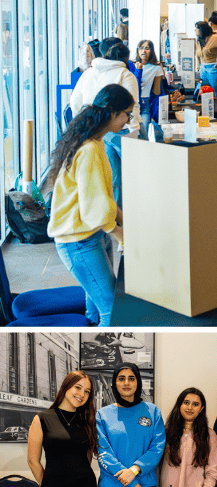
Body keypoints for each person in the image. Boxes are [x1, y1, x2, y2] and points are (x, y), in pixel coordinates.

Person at [47, 84, 128, 327]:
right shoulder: (90, 149)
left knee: (96, 310)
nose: (128, 121)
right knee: (112, 314)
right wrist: (123, 236)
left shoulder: (94, 141)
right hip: (78, 242)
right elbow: (96, 207)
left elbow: (103, 198)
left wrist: (126, 223)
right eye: (127, 114)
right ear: (113, 113)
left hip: (89, 235)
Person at [69, 38, 141, 207]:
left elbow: (74, 101)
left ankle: (115, 212)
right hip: (121, 131)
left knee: (110, 176)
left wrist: (84, 121)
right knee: (134, 176)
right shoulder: (125, 74)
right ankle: (130, 214)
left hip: (97, 130)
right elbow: (134, 104)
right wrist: (134, 127)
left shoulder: (88, 72)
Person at [27, 371, 97, 487]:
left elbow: (86, 458)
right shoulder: (42, 418)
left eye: (87, 391)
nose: (82, 394)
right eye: (78, 388)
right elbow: (33, 461)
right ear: (65, 387)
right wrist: (48, 485)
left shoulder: (87, 420)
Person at [96, 363, 166, 487]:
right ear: (115, 383)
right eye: (121, 378)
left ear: (138, 382)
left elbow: (157, 448)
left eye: (131, 378)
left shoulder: (153, 411)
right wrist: (132, 483)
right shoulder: (103, 415)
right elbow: (104, 453)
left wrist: (134, 471)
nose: (126, 383)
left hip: (145, 485)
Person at [159, 388, 217, 487]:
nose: (190, 407)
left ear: (201, 409)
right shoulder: (165, 432)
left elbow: (213, 471)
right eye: (186, 402)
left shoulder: (209, 435)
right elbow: (157, 468)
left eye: (195, 404)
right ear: (179, 405)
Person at [129, 40, 166, 138]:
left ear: (152, 51)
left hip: (145, 102)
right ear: (137, 50)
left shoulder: (156, 67)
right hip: (131, 102)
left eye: (147, 48)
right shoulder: (131, 65)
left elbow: (157, 91)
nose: (143, 51)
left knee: (144, 133)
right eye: (141, 48)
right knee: (131, 132)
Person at [196, 20, 217, 100]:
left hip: (213, 67)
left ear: (202, 29)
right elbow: (198, 55)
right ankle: (209, 111)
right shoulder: (199, 40)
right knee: (205, 93)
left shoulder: (216, 38)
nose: (195, 30)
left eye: (196, 28)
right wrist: (198, 67)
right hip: (203, 68)